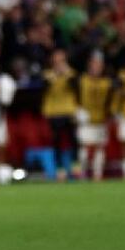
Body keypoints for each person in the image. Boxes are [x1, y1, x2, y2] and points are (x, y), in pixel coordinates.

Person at [75, 51, 114, 180]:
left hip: (100, 119)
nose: (96, 67)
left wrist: (109, 115)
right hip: (86, 119)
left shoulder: (107, 82)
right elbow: (76, 97)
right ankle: (83, 173)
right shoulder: (81, 80)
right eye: (94, 64)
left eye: (99, 65)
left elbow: (110, 101)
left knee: (99, 147)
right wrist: (78, 111)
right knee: (85, 147)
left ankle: (98, 174)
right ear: (89, 65)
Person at [41, 49, 78, 181]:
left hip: (68, 111)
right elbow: (44, 87)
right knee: (55, 141)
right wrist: (56, 75)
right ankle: (58, 170)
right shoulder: (47, 74)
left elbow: (75, 87)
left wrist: (65, 74)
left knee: (72, 141)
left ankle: (73, 169)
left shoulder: (71, 74)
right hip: (53, 112)